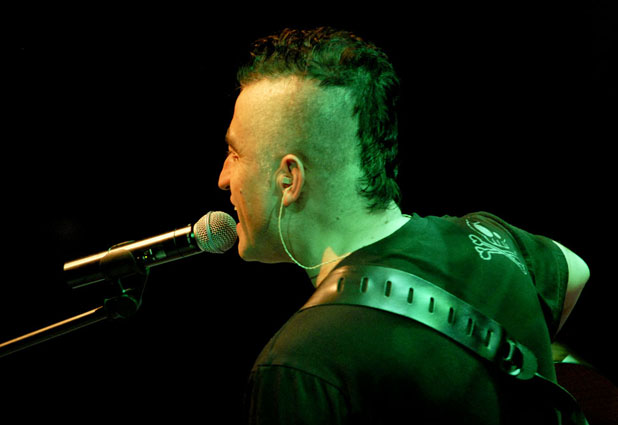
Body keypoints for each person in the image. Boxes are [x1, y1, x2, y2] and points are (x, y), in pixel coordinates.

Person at [217, 27, 590, 425]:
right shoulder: (491, 237)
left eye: (235, 153)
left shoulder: (299, 365)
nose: (223, 178)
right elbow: (577, 270)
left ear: (289, 179)